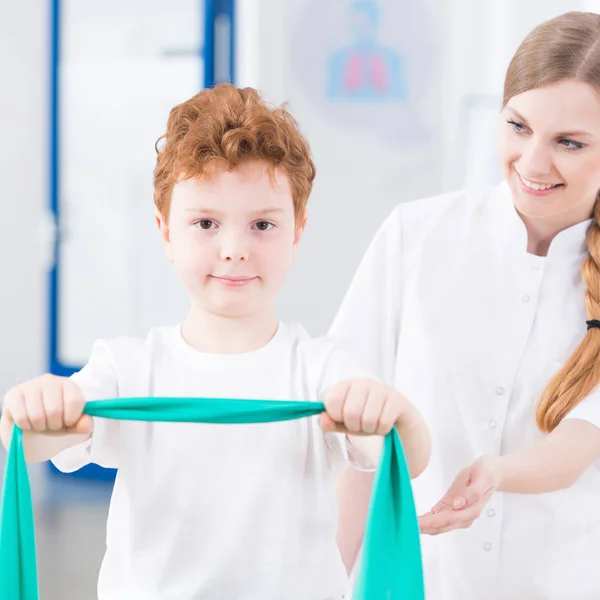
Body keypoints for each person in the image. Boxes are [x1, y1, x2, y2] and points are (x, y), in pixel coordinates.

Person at [0, 84, 431, 599]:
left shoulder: (324, 370)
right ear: (165, 232)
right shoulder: (127, 368)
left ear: (297, 233)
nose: (234, 250)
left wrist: (393, 417)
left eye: (262, 225)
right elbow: (31, 441)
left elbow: (402, 456)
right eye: (205, 223)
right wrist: (28, 412)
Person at [331, 11, 600, 600]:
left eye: (569, 143)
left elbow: (582, 442)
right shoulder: (416, 236)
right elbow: (350, 433)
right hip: (420, 578)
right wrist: (330, 580)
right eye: (518, 126)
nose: (532, 163)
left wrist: (497, 475)